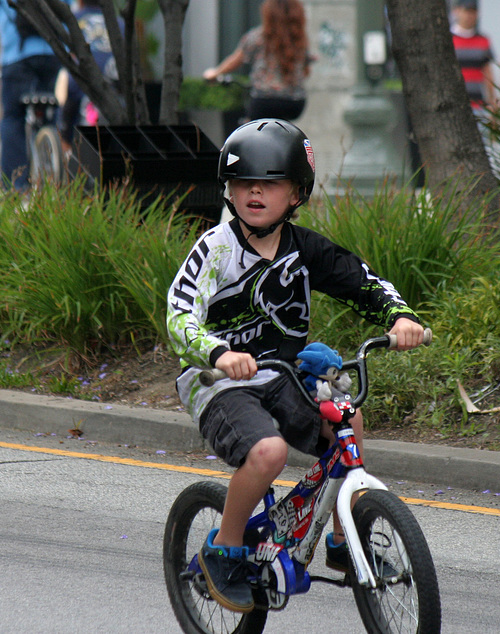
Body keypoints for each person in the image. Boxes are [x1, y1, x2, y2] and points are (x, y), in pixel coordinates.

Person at [167, 118, 424, 613]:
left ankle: (345, 538)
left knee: (346, 416)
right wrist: (220, 353)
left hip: (282, 374)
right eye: (244, 182)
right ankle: (225, 547)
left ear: (297, 193)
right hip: (217, 381)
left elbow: (363, 281)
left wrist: (401, 316)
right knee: (267, 453)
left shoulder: (305, 250)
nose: (255, 192)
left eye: (271, 182)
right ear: (229, 190)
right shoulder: (215, 249)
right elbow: (179, 315)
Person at [0, 0, 64, 191]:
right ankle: (52, 171)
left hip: (17, 56)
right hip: (53, 56)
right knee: (48, 113)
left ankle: (16, 187)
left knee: (13, 117)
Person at [203, 0, 311, 122]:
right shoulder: (299, 39)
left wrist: (215, 73)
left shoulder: (258, 36)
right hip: (295, 103)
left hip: (265, 100)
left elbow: (235, 61)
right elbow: (306, 71)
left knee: (251, 129)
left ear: (268, 13)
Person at [57, 0, 120, 153]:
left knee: (65, 97)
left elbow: (67, 57)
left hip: (82, 84)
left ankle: (65, 147)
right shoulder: (119, 23)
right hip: (114, 86)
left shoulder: (74, 20)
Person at [450, 0, 496, 126]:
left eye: (473, 12)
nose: (469, 16)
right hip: (453, 106)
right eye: (466, 11)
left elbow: (488, 74)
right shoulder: (448, 40)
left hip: (478, 105)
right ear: (457, 11)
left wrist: (492, 104)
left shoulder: (483, 41)